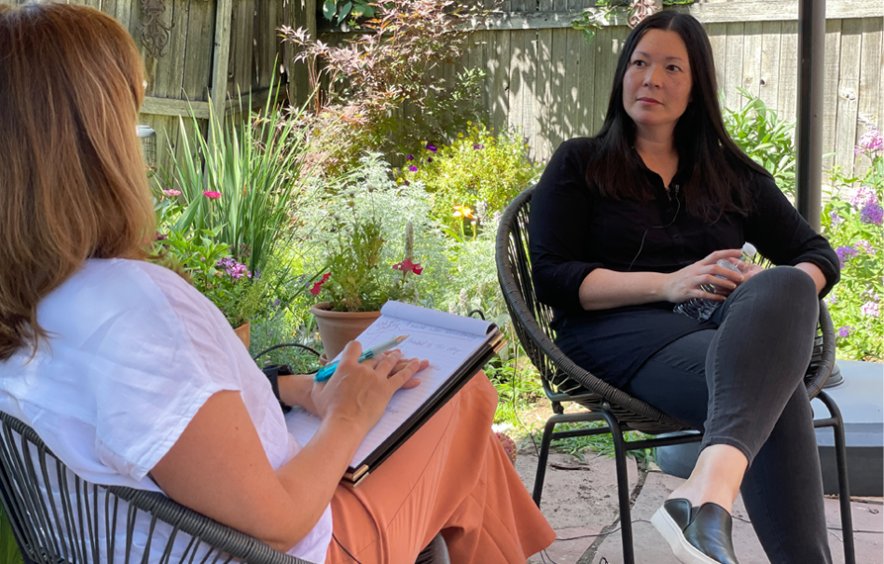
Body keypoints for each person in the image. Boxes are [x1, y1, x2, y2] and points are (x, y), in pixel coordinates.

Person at [0, 4, 555, 564]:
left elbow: (157, 424)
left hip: (152, 541)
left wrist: (300, 390)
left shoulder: (33, 300)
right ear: (101, 142)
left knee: (463, 450)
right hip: (289, 547)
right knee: (463, 398)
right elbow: (281, 526)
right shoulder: (134, 308)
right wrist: (346, 414)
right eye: (130, 113)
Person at [529, 11, 839, 564]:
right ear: (623, 74)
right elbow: (552, 276)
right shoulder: (580, 163)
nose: (651, 79)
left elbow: (816, 256)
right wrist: (669, 283)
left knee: (790, 283)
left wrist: (760, 289)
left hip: (722, 331)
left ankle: (705, 494)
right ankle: (712, 506)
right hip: (617, 336)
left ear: (696, 90)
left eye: (672, 67)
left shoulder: (730, 175)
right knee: (776, 390)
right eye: (640, 63)